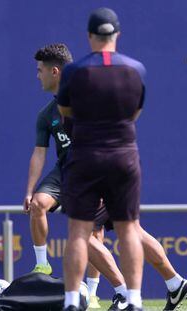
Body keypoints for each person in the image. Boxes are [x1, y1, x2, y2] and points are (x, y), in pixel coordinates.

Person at [24, 43, 125, 309]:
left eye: (39, 70)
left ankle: (95, 292)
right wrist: (29, 189)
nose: (37, 76)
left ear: (54, 71)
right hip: (65, 172)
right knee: (38, 205)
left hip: (95, 171)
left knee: (92, 234)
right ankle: (42, 265)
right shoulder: (46, 114)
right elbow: (39, 153)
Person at [58, 7, 146, 311]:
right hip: (124, 155)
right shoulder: (136, 69)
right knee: (128, 228)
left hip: (85, 156)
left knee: (78, 232)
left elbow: (66, 113)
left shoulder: (73, 72)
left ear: (90, 36)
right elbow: (134, 113)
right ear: (117, 35)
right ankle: (133, 300)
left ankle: (71, 302)